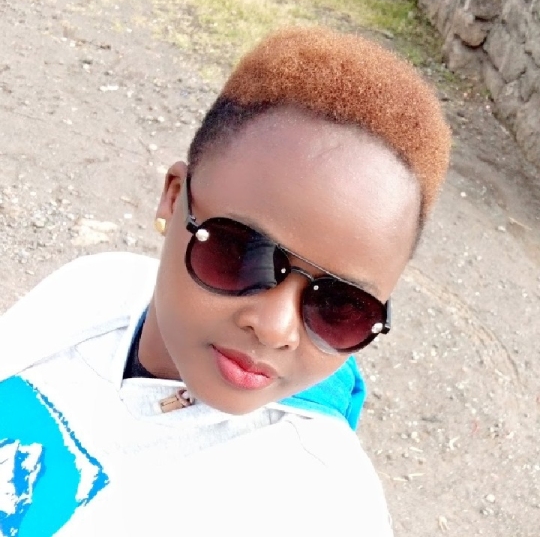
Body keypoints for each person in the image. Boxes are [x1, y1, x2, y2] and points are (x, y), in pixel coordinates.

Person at [0, 27, 451, 536]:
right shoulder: (94, 288)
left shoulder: (322, 509)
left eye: (341, 307)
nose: (275, 328)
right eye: (238, 252)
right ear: (174, 197)